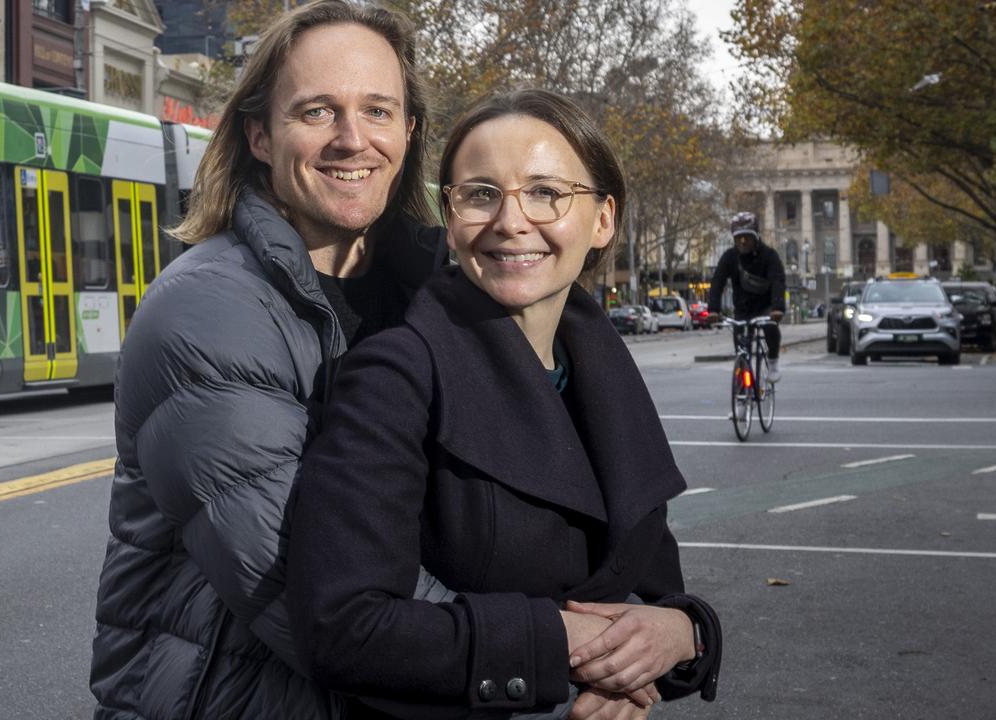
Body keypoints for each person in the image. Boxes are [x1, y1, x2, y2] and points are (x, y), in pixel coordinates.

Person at [288, 89, 721, 720]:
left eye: (546, 192)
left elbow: (652, 592)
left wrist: (684, 635)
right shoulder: (394, 377)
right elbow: (344, 627)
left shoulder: (602, 373)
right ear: (450, 217)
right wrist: (564, 648)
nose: (511, 221)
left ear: (603, 218)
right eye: (480, 194)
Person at [89, 2, 449, 718]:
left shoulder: (437, 294)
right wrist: (556, 658)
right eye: (317, 112)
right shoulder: (206, 310)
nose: (353, 140)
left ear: (408, 133)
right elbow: (316, 601)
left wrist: (644, 621)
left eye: (378, 111)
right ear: (258, 134)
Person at [706, 211, 786, 382]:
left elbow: (778, 281)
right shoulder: (730, 257)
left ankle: (773, 362)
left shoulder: (769, 256)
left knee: (771, 328)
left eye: (747, 237)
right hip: (742, 309)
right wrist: (713, 310)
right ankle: (741, 398)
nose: (743, 241)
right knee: (741, 352)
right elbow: (717, 281)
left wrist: (778, 308)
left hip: (765, 307)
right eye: (738, 237)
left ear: (756, 236)